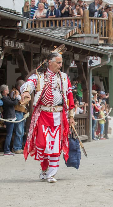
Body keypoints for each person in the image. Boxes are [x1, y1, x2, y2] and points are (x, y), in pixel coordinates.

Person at [20, 49, 75, 183]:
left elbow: (69, 97)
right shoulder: (39, 76)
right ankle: (44, 169)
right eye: (58, 62)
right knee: (43, 144)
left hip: (58, 115)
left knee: (55, 145)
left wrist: (71, 116)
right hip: (43, 115)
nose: (60, 65)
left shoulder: (63, 77)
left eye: (61, 63)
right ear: (50, 63)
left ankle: (52, 173)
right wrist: (26, 92)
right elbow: (28, 84)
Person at [1, 85, 20, 156]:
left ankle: (7, 150)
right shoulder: (4, 99)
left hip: (10, 118)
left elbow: (12, 101)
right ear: (4, 91)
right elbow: (14, 103)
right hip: (9, 118)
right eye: (7, 89)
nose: (8, 90)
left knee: (10, 134)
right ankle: (6, 150)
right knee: (9, 135)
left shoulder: (6, 98)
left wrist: (14, 97)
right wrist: (17, 97)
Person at [13, 80, 28, 154]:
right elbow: (21, 101)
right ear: (19, 86)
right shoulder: (14, 91)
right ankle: (16, 148)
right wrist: (20, 97)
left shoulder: (21, 93)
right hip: (17, 112)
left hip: (22, 112)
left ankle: (19, 146)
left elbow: (26, 101)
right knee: (19, 131)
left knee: (22, 131)